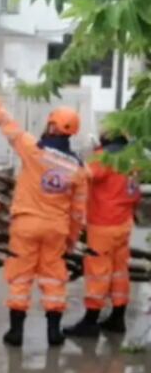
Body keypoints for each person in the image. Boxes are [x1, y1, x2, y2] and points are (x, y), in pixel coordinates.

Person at [0, 87, 88, 348]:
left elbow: (5, 122)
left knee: (20, 278)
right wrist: (71, 239)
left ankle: (16, 333)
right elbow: (79, 211)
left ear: (52, 126)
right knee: (53, 278)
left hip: (26, 225)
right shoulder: (79, 169)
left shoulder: (32, 149)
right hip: (56, 228)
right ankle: (53, 332)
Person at [64, 131, 140, 337]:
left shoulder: (104, 158)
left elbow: (81, 176)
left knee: (97, 272)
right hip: (124, 223)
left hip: (103, 224)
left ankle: (90, 321)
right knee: (119, 272)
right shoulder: (132, 158)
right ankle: (118, 317)